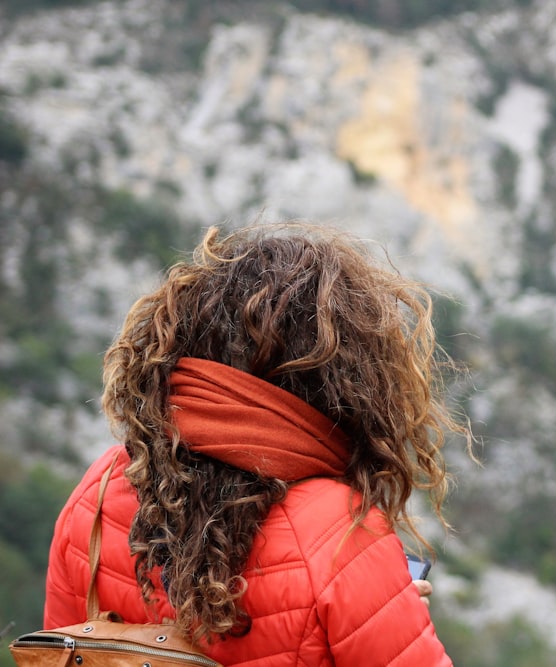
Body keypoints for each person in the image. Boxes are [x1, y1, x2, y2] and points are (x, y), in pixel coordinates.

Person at [43, 223, 469, 666]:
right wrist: (390, 616)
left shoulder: (101, 487)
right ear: (345, 384)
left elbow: (57, 653)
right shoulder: (343, 535)